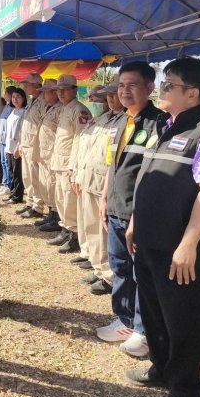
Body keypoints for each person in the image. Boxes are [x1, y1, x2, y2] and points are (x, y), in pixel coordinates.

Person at [126, 57, 200, 397]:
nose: (161, 89)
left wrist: (188, 244)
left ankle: (186, 389)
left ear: (194, 93)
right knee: (153, 312)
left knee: (182, 318)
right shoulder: (167, 126)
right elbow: (151, 177)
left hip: (179, 247)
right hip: (150, 239)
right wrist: (135, 221)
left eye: (169, 84)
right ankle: (162, 368)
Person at [97, 62, 162, 357]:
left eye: (132, 85)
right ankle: (124, 319)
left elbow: (153, 176)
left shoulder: (159, 124)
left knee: (141, 273)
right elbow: (115, 165)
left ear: (149, 88)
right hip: (115, 207)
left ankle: (143, 329)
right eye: (121, 85)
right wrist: (104, 197)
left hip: (140, 213)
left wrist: (139, 214)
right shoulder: (121, 121)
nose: (125, 91)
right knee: (120, 267)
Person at [72, 85, 122, 296]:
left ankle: (109, 276)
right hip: (89, 179)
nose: (110, 99)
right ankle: (99, 268)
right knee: (91, 227)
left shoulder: (125, 121)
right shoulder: (103, 118)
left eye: (114, 94)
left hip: (104, 183)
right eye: (108, 95)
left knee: (104, 232)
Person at [46, 75, 91, 254]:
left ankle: (74, 237)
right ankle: (65, 230)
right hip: (59, 161)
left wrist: (73, 166)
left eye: (65, 89)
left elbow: (80, 140)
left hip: (69, 164)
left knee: (70, 202)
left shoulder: (80, 111)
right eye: (58, 89)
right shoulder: (65, 109)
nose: (61, 92)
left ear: (74, 89)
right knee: (61, 200)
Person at [33, 79, 64, 232]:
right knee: (46, 186)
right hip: (45, 155)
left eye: (46, 91)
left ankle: (56, 217)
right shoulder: (49, 107)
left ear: (53, 92)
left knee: (53, 187)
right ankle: (51, 213)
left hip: (53, 155)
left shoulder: (60, 109)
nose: (43, 94)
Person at [16, 74, 47, 218]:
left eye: (28, 84)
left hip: (35, 146)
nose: (25, 87)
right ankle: (29, 202)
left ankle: (37, 207)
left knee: (35, 178)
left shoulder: (43, 101)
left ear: (36, 85)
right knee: (27, 176)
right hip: (26, 145)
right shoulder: (31, 100)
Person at [3, 88, 27, 203]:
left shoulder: (24, 112)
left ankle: (18, 196)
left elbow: (23, 131)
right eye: (13, 97)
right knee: (11, 172)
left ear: (23, 98)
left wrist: (19, 146)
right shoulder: (12, 111)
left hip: (17, 147)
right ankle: (12, 193)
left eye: (18, 97)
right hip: (9, 146)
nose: (15, 99)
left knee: (17, 173)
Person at [0, 86, 16, 196]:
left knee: (8, 163)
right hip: (2, 138)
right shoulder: (6, 107)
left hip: (8, 139)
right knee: (3, 162)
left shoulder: (14, 109)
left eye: (6, 93)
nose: (4, 96)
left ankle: (9, 184)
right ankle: (5, 183)